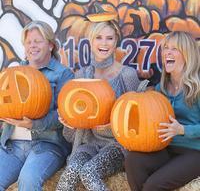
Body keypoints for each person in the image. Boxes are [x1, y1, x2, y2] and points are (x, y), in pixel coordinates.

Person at [56, 15, 148, 191]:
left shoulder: (126, 75)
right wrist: (69, 124)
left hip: (117, 146)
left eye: (109, 38)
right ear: (90, 41)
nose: (104, 43)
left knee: (89, 172)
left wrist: (108, 125)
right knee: (71, 172)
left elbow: (137, 124)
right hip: (88, 144)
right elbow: (70, 136)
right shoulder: (81, 76)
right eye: (99, 38)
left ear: (116, 42)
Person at [0, 21, 74, 190]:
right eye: (28, 42)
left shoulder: (63, 74)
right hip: (12, 145)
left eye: (37, 41)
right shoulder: (13, 73)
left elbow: (64, 114)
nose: (32, 46)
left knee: (29, 180)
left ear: (50, 45)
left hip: (47, 145)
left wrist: (34, 124)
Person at [125, 31, 200, 191]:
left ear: (188, 55)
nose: (168, 52)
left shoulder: (197, 88)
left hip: (194, 151)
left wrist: (182, 130)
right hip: (167, 148)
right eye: (166, 48)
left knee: (153, 186)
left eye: (174, 49)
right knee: (133, 160)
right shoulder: (162, 88)